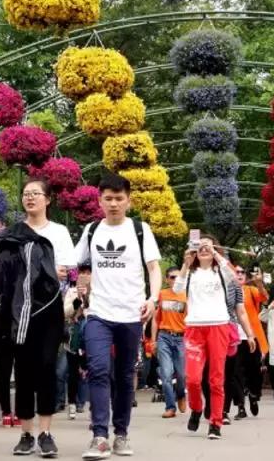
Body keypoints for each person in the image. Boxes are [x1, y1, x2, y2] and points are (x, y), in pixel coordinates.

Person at [74, 174, 162, 460]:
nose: (113, 204)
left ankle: (120, 434)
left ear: (128, 200)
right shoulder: (91, 230)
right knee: (98, 369)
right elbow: (72, 263)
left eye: (119, 199)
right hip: (98, 313)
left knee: (124, 375)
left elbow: (154, 269)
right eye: (108, 199)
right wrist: (77, 280)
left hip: (132, 313)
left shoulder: (139, 229)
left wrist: (153, 299)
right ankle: (99, 435)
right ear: (99, 200)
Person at [0, 179, 75, 458]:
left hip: (48, 309)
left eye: (36, 194)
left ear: (48, 199)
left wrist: (49, 271)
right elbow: (3, 270)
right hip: (18, 312)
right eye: (26, 194)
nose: (30, 199)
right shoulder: (12, 233)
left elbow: (66, 270)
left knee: (47, 367)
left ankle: (46, 432)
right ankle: (26, 433)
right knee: (24, 368)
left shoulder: (59, 232)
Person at [175, 235, 256, 440]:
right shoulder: (191, 273)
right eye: (199, 246)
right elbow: (176, 289)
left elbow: (233, 277)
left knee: (216, 379)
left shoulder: (221, 271)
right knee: (192, 379)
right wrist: (185, 264)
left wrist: (217, 255)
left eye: (208, 246)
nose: (203, 249)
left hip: (218, 326)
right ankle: (196, 408)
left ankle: (216, 422)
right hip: (194, 328)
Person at [152, 266, 187, 419]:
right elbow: (155, 319)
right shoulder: (162, 294)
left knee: (182, 374)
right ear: (167, 279)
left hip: (181, 337)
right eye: (172, 277)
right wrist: (153, 341)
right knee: (166, 374)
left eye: (178, 277)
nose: (175, 280)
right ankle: (170, 407)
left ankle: (180, 394)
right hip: (164, 336)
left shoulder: (187, 295)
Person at [236, 265, 269, 417]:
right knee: (236, 373)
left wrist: (260, 283)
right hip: (234, 338)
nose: (240, 274)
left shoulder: (251, 290)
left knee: (254, 371)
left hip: (252, 337)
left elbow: (265, 298)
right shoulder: (226, 291)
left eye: (243, 272)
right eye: (236, 272)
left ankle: (254, 395)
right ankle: (240, 406)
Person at [64, 264, 92, 420]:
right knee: (72, 371)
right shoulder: (71, 291)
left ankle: (92, 403)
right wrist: (77, 299)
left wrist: (87, 297)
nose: (85, 275)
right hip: (74, 334)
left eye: (88, 273)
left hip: (91, 334)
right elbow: (66, 312)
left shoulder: (98, 292)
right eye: (82, 273)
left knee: (92, 368)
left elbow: (95, 310)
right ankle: (73, 403)